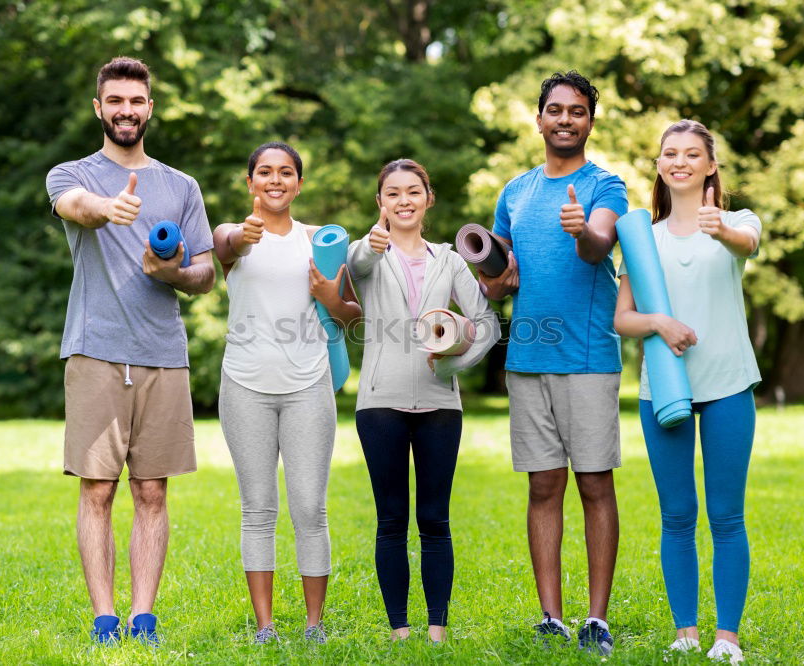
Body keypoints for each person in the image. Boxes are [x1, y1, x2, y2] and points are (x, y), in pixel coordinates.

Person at [45, 56, 215, 645]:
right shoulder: (74, 174)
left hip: (163, 354)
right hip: (95, 351)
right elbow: (74, 208)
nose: (125, 110)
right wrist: (107, 208)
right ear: (99, 108)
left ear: (150, 107)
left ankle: (144, 618)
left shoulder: (181, 186)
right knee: (98, 489)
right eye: (114, 101)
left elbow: (206, 274)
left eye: (135, 101)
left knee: (152, 490)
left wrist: (168, 272)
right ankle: (104, 619)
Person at [479, 71, 628, 655]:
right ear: (538, 119)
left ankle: (597, 618)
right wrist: (494, 275)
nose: (566, 119)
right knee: (543, 487)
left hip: (588, 357)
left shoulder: (605, 186)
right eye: (556, 110)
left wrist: (580, 232)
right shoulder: (514, 192)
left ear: (591, 121)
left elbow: (599, 245)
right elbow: (495, 279)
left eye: (578, 111)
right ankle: (551, 617)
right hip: (528, 358)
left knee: (593, 483)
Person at [614, 119, 761, 665]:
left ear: (710, 165)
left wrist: (718, 227)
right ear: (658, 166)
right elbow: (622, 318)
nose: (680, 161)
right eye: (669, 153)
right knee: (676, 514)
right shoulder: (642, 239)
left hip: (727, 386)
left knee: (726, 515)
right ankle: (686, 631)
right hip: (663, 391)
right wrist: (659, 323)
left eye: (692, 154)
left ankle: (728, 636)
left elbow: (745, 241)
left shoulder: (737, 223)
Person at [212, 141, 361, 645]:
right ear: (249, 181)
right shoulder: (232, 235)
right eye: (265, 172)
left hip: (308, 386)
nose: (275, 180)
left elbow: (352, 316)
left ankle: (314, 626)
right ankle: (265, 627)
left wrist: (329, 297)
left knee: (308, 507)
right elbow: (228, 244)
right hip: (245, 387)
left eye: (286, 172)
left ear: (299, 183)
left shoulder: (321, 240)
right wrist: (242, 235)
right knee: (257, 508)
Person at [347, 159, 500, 643]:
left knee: (435, 519)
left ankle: (437, 627)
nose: (404, 200)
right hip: (380, 403)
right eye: (393, 193)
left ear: (429, 198)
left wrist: (453, 366)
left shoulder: (450, 260)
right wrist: (372, 245)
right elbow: (356, 267)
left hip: (440, 404)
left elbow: (486, 323)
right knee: (391, 519)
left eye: (413, 191)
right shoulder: (366, 251)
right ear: (380, 204)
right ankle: (399, 629)